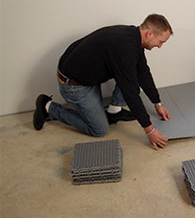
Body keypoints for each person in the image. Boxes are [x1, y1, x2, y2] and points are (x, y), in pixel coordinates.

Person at [33, 14, 173, 150]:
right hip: (74, 85)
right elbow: (130, 93)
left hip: (85, 73)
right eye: (161, 42)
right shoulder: (124, 48)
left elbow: (143, 72)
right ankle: (47, 107)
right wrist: (150, 130)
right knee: (99, 129)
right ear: (149, 33)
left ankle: (114, 111)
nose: (160, 46)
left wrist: (157, 103)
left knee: (132, 73)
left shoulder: (134, 37)